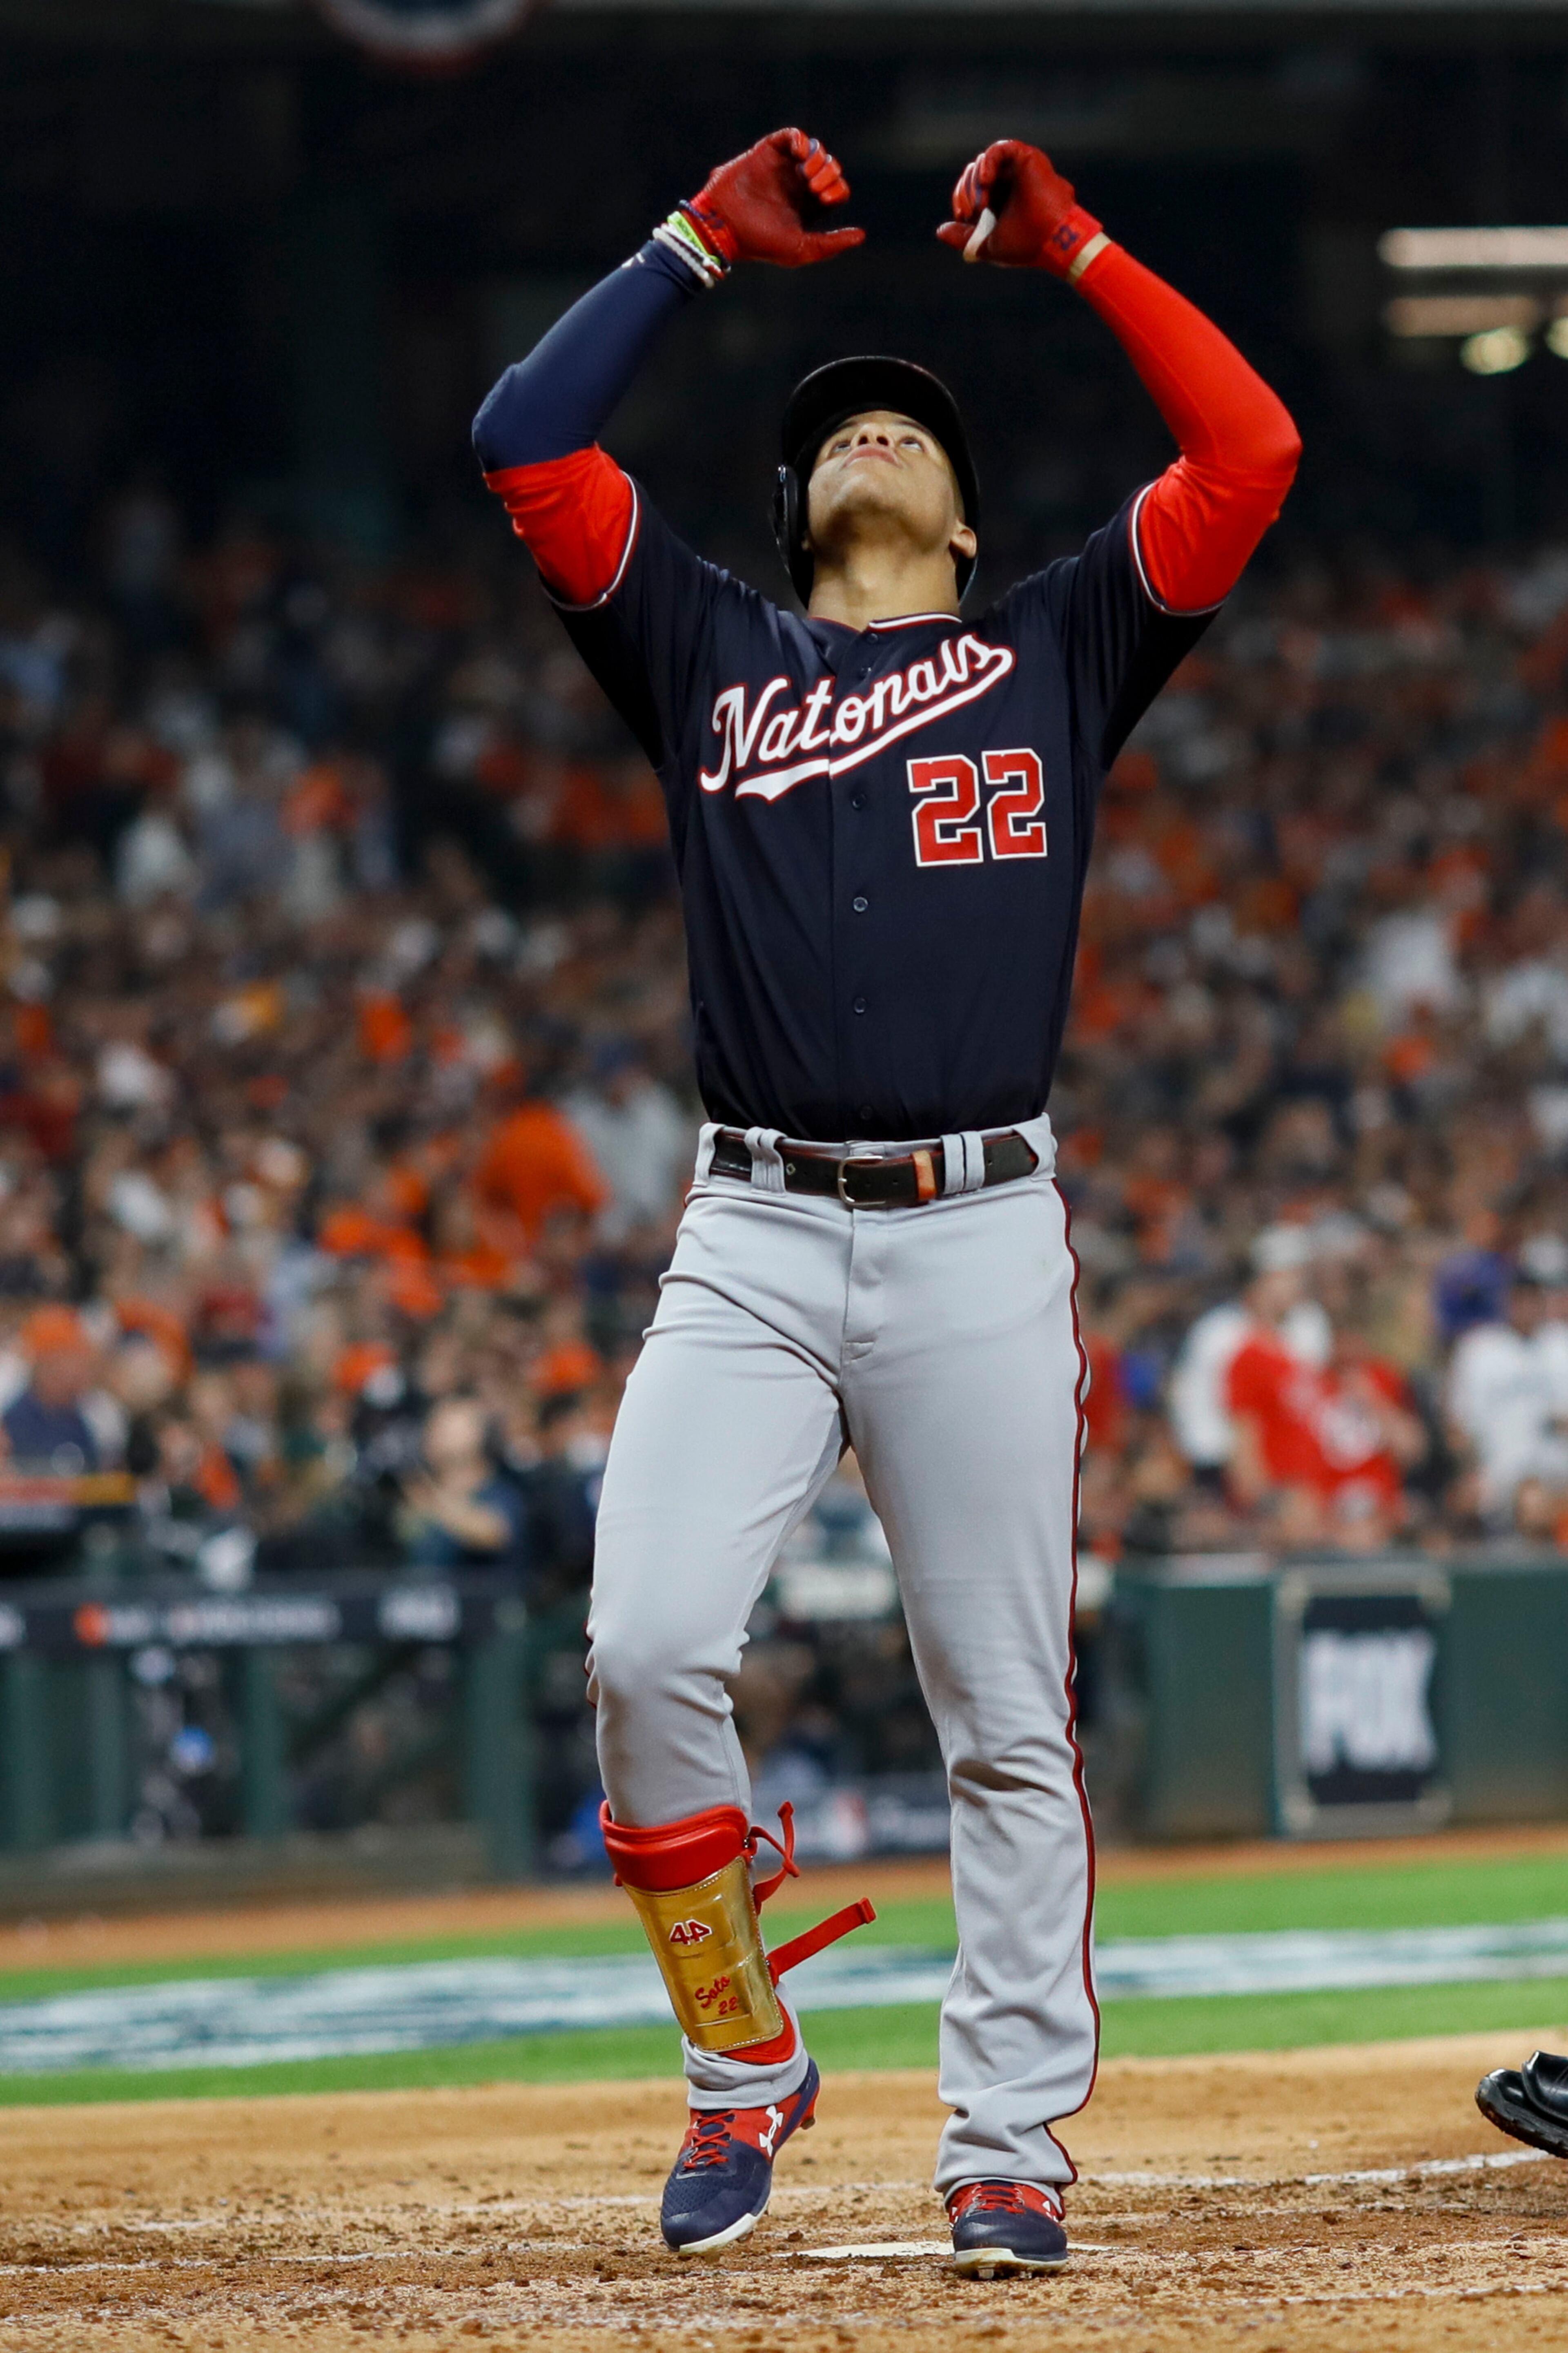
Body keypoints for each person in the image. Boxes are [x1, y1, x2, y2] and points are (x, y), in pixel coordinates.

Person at [474, 128, 1297, 2273]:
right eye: (837, 423)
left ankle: (1006, 2135)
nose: (870, 429)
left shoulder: (1064, 646)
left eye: (907, 426)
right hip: (749, 1231)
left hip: (975, 1232)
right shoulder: (701, 646)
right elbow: (521, 436)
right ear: (798, 509)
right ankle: (745, 2065)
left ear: (963, 512)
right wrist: (686, 243)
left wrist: (1091, 247)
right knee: (647, 1643)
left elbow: (1253, 445)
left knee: (1004, 1710)